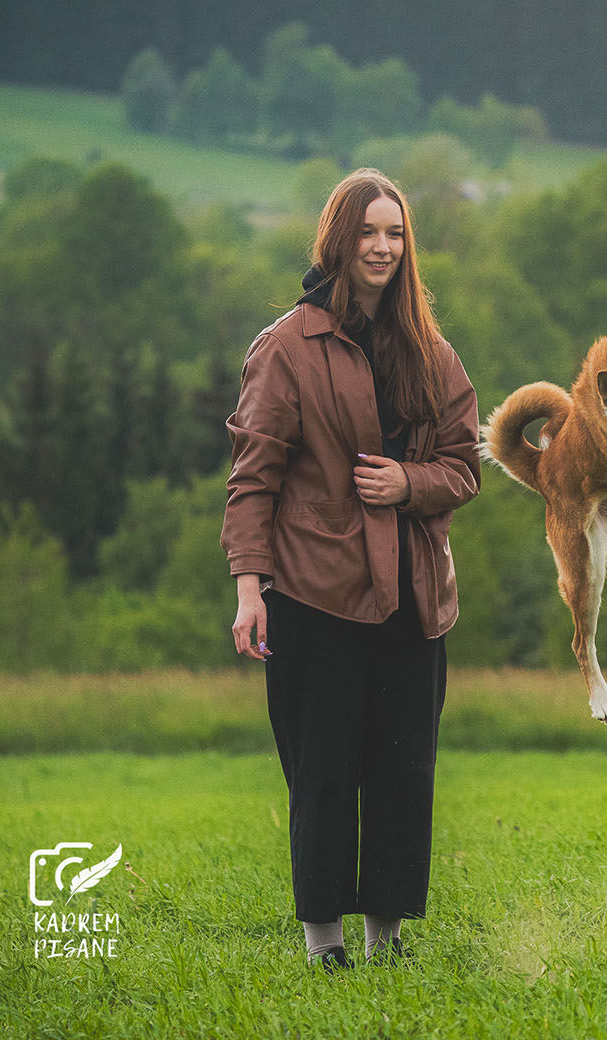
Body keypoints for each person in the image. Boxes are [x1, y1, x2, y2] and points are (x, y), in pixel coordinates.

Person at [221, 168, 480, 971]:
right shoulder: (286, 347)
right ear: (338, 240)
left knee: (403, 769)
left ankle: (386, 940)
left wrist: (411, 483)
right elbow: (253, 476)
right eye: (367, 232)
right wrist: (249, 587)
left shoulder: (430, 350)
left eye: (395, 233)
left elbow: (465, 467)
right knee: (323, 772)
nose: (381, 247)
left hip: (412, 596)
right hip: (313, 595)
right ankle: (323, 943)